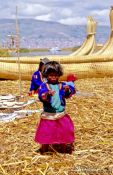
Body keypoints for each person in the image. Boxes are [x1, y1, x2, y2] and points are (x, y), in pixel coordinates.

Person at [34, 61, 76, 154]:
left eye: (56, 75)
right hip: (49, 114)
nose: (53, 77)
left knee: (63, 131)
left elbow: (69, 93)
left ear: (59, 75)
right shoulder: (44, 86)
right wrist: (47, 94)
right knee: (46, 132)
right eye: (51, 75)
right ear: (46, 75)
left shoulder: (61, 85)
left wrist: (67, 90)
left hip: (60, 114)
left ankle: (63, 148)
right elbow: (41, 96)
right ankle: (44, 148)